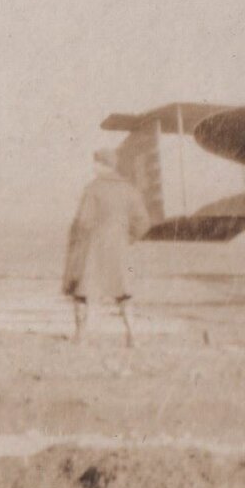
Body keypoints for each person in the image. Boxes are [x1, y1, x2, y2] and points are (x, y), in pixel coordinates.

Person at [64, 147, 153, 347]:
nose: (93, 167)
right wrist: (128, 238)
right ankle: (132, 336)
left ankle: (81, 336)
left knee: (81, 292)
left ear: (103, 165)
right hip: (119, 249)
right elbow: (143, 222)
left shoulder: (93, 189)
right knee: (124, 293)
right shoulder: (130, 190)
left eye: (96, 163)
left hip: (93, 249)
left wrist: (76, 244)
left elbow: (83, 222)